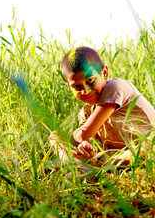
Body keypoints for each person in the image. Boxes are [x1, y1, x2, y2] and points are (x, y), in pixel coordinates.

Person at [49, 46, 155, 175]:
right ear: (69, 86)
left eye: (90, 81)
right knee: (55, 136)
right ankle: (76, 163)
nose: (86, 91)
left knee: (150, 147)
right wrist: (86, 148)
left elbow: (84, 134)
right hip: (112, 155)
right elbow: (88, 140)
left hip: (142, 148)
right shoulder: (86, 111)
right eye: (77, 87)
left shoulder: (116, 87)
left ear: (104, 73)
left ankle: (88, 168)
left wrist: (78, 136)